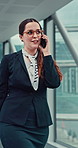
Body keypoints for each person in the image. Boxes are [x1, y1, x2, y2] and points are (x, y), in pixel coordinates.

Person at [0, 18, 62, 148]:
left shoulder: (46, 59)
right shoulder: (9, 60)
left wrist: (46, 53)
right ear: (21, 37)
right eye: (30, 32)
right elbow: (1, 90)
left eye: (38, 32)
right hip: (13, 123)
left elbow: (54, 83)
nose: (35, 36)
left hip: (39, 126)